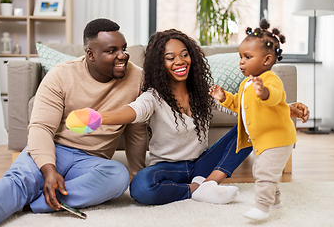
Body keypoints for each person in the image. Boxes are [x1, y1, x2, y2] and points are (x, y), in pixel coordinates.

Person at [67, 29, 309, 207]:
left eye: (184, 55)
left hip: (202, 164)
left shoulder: (203, 90)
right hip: (167, 168)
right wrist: (98, 118)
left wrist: (287, 108)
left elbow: (246, 108)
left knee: (246, 126)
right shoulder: (153, 96)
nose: (179, 61)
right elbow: (132, 112)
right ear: (160, 64)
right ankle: (197, 189)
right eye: (170, 57)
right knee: (141, 187)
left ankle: (212, 181)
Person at [0, 18, 148, 227]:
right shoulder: (61, 75)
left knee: (118, 176)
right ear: (90, 54)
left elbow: (136, 129)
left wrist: (136, 174)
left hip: (92, 160)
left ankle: (35, 203)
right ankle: (28, 192)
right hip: (55, 149)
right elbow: (41, 128)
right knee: (17, 183)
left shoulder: (137, 78)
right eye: (112, 50)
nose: (122, 56)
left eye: (124, 48)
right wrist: (48, 169)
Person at [209, 19, 296, 221]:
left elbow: (275, 96)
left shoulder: (270, 80)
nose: (241, 61)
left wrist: (263, 92)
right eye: (240, 56)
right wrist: (224, 98)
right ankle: (275, 202)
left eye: (247, 57)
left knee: (265, 172)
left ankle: (262, 207)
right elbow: (239, 104)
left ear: (266, 60)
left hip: (278, 139)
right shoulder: (247, 83)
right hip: (262, 140)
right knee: (260, 170)